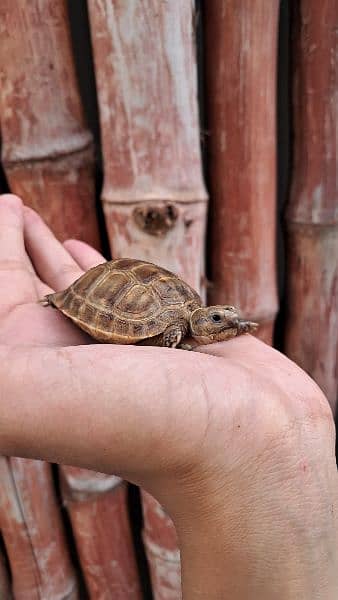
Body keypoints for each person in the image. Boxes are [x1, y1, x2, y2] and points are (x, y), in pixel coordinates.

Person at [0, 193, 337, 599]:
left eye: (225, 318)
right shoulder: (176, 332)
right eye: (217, 320)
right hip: (99, 294)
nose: (225, 324)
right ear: (200, 322)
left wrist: (264, 453)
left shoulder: (191, 324)